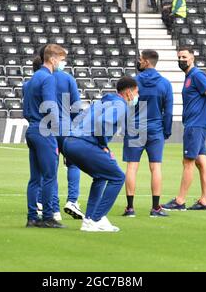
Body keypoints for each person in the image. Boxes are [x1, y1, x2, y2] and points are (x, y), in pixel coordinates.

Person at [63, 77, 139, 232]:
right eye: (137, 92)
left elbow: (79, 118)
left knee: (101, 176)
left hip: (70, 141)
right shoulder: (120, 105)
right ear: (129, 93)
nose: (137, 96)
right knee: (118, 177)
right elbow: (102, 123)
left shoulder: (103, 101)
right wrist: (103, 145)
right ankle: (96, 218)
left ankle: (89, 219)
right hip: (84, 143)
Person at [161, 47, 206, 212]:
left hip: (195, 125)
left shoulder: (197, 75)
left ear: (192, 58)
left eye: (184, 57)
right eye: (179, 57)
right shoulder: (189, 77)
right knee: (201, 162)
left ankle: (180, 201)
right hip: (195, 125)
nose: (181, 60)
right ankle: (205, 201)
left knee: (188, 162)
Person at [33, 45, 84, 222]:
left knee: (49, 169)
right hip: (65, 126)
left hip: (46, 127)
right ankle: (72, 200)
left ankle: (48, 204)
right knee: (74, 164)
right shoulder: (67, 78)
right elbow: (76, 106)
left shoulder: (41, 77)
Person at [122, 50, 173, 218]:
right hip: (155, 127)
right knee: (155, 167)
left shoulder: (134, 82)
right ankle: (155, 207)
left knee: (132, 166)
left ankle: (130, 208)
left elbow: (127, 105)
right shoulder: (165, 84)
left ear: (146, 62)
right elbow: (168, 111)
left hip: (136, 126)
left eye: (140, 59)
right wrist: (166, 130)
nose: (139, 61)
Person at [23, 44, 67, 229]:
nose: (62, 63)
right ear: (53, 59)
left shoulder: (32, 79)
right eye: (62, 59)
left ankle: (32, 217)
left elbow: (26, 109)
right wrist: (55, 130)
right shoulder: (48, 79)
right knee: (50, 176)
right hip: (45, 130)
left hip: (32, 129)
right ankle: (48, 216)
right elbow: (51, 106)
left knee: (35, 178)